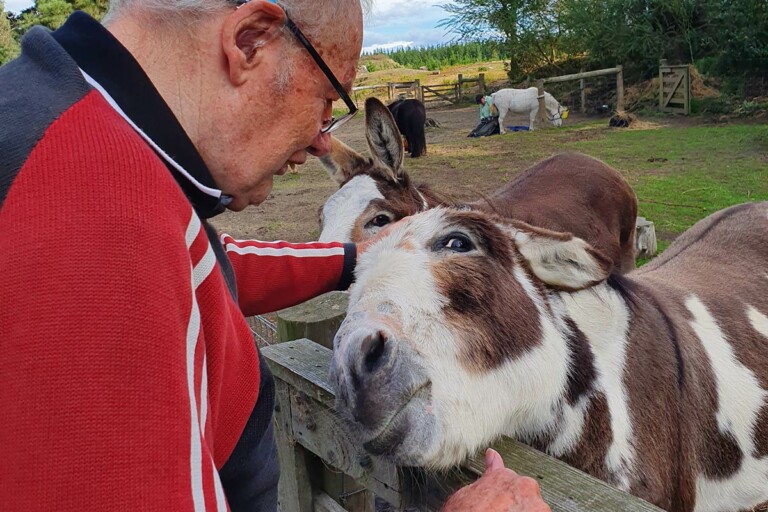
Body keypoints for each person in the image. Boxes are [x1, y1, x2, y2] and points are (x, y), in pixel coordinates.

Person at [0, 1, 549, 510]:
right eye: (328, 100)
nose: (320, 141)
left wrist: (356, 258)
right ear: (250, 42)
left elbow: (209, 267)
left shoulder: (77, 133)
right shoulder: (93, 213)